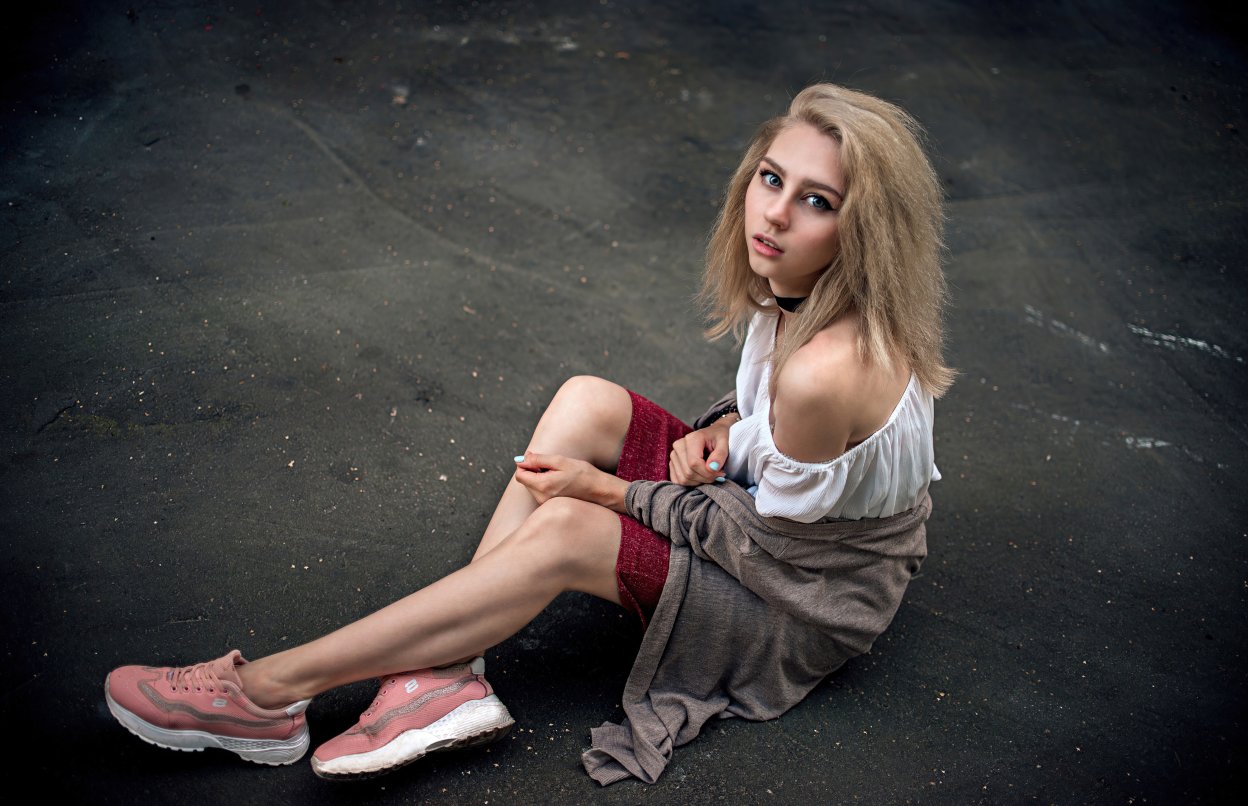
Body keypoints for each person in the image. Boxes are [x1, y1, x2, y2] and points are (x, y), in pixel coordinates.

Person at [104, 82, 953, 784]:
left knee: (566, 525)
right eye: (770, 179)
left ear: (863, 229)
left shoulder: (826, 369)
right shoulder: (804, 295)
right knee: (587, 398)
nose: (773, 214)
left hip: (797, 607)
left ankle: (267, 692)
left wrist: (615, 494)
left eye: (816, 202)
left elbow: (773, 551)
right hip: (776, 531)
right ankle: (443, 678)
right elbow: (792, 442)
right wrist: (728, 430)